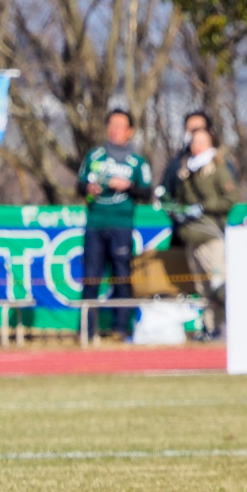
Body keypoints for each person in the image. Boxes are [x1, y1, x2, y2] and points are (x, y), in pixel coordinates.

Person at [76, 109, 153, 340]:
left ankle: (121, 329)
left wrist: (128, 186)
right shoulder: (94, 156)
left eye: (121, 125)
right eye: (112, 124)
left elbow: (147, 192)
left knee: (122, 277)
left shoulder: (137, 161)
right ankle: (87, 332)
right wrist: (88, 189)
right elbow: (79, 185)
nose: (115, 129)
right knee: (91, 278)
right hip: (95, 224)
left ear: (129, 131)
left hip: (121, 225)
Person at [172, 126, 240, 339]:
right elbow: (180, 200)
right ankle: (209, 328)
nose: (197, 146)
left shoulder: (218, 168)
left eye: (202, 142)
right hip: (191, 236)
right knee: (202, 289)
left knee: (219, 284)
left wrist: (205, 206)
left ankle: (228, 327)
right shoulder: (185, 170)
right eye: (194, 142)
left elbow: (231, 199)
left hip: (211, 236)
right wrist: (179, 211)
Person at [160, 109, 213, 203]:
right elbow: (165, 194)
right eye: (190, 129)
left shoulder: (220, 162)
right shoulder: (177, 164)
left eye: (198, 129)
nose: (193, 134)